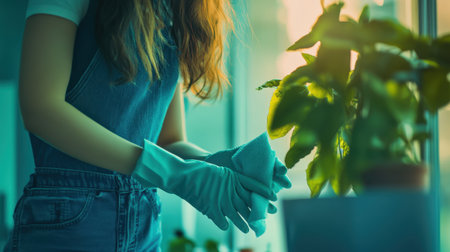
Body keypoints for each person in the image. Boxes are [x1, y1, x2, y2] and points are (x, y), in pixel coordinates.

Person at [3, 0, 291, 251]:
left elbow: (168, 141)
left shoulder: (171, 10)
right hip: (69, 220)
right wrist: (176, 173)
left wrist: (218, 165)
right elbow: (40, 107)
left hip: (143, 222)